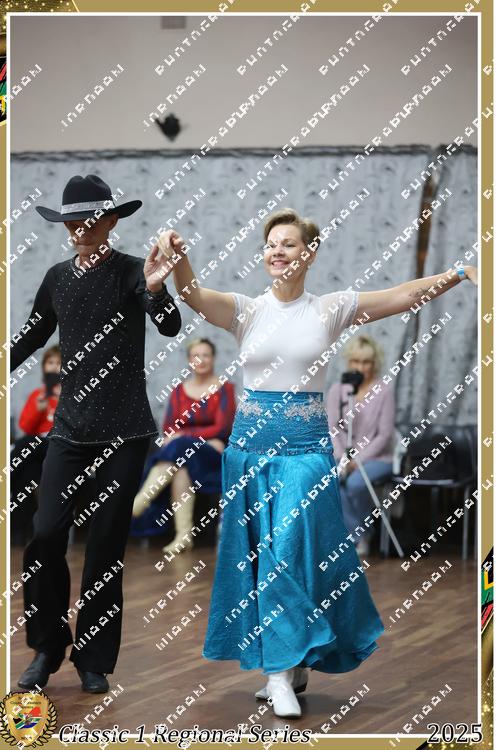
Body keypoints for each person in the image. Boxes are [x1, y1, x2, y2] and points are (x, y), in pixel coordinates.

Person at [155, 208, 477, 719]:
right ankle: (291, 659)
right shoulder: (246, 310)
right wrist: (180, 260)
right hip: (249, 451)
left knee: (288, 550)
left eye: (287, 243)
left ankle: (279, 673)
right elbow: (192, 295)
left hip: (306, 451)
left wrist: (457, 273)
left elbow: (399, 297)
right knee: (262, 560)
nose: (277, 251)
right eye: (270, 244)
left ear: (309, 252)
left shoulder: (329, 309)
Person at [10, 174, 182, 693]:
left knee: (105, 547)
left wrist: (157, 290)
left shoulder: (134, 272)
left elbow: (170, 324)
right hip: (69, 430)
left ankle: (94, 660)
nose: (79, 230)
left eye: (89, 220)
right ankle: (47, 647)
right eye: (71, 222)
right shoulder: (56, 278)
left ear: (110, 221)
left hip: (124, 434)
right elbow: (31, 336)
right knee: (44, 535)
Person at [131, 337, 236, 552]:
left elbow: (222, 428)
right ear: (189, 360)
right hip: (186, 456)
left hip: (212, 456)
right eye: (196, 355)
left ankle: (139, 503)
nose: (201, 360)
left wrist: (185, 436)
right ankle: (184, 535)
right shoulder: (179, 390)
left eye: (206, 355)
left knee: (180, 445)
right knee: (181, 466)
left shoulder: (224, 388)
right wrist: (188, 437)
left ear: (213, 358)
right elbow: (169, 428)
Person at [326, 335, 395, 556]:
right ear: (349, 363)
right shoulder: (338, 389)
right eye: (356, 361)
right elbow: (332, 427)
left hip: (377, 457)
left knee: (355, 483)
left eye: (366, 362)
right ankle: (359, 534)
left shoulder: (383, 391)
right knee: (332, 482)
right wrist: (343, 458)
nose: (361, 367)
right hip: (342, 456)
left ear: (374, 364)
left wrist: (359, 459)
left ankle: (360, 535)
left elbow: (384, 435)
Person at [11, 345, 62, 545]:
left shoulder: (73, 395)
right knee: (28, 474)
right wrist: (39, 407)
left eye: (59, 363)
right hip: (37, 449)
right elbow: (25, 426)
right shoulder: (38, 395)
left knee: (26, 444)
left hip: (58, 445)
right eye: (50, 362)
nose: (54, 367)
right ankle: (19, 531)